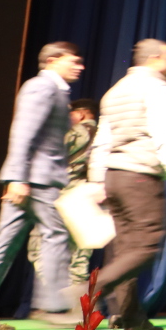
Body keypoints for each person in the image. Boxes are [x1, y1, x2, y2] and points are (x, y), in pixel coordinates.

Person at [0, 43, 84, 330]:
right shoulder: (42, 87)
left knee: (5, 242)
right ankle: (53, 306)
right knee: (56, 234)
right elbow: (23, 132)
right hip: (36, 181)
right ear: (53, 61)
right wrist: (17, 177)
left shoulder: (55, 90)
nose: (80, 66)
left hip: (33, 180)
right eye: (73, 61)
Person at [88, 39, 166, 330]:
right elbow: (163, 133)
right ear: (155, 58)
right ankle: (92, 289)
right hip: (139, 176)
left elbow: (102, 139)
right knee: (147, 245)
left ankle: (131, 318)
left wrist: (97, 179)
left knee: (125, 251)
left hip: (113, 175)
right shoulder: (157, 89)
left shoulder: (115, 90)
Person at [62, 98, 100, 292]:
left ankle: (55, 300)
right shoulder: (104, 135)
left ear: (81, 114)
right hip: (92, 196)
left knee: (53, 248)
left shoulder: (76, 132)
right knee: (81, 255)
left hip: (68, 193)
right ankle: (78, 303)